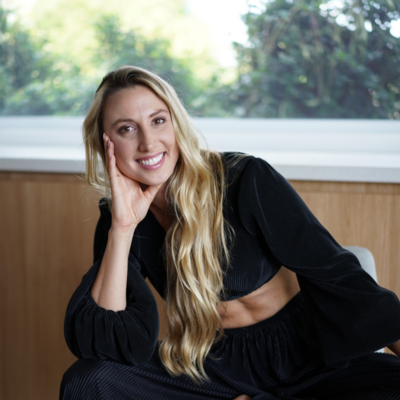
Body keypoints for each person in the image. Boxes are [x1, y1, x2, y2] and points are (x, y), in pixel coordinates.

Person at [60, 65, 400, 400]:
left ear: (176, 123)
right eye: (126, 129)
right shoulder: (119, 218)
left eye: (158, 120)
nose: (149, 142)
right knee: (88, 382)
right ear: (105, 142)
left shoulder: (243, 179)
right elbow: (107, 343)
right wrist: (122, 227)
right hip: (213, 370)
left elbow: (337, 272)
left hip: (307, 359)